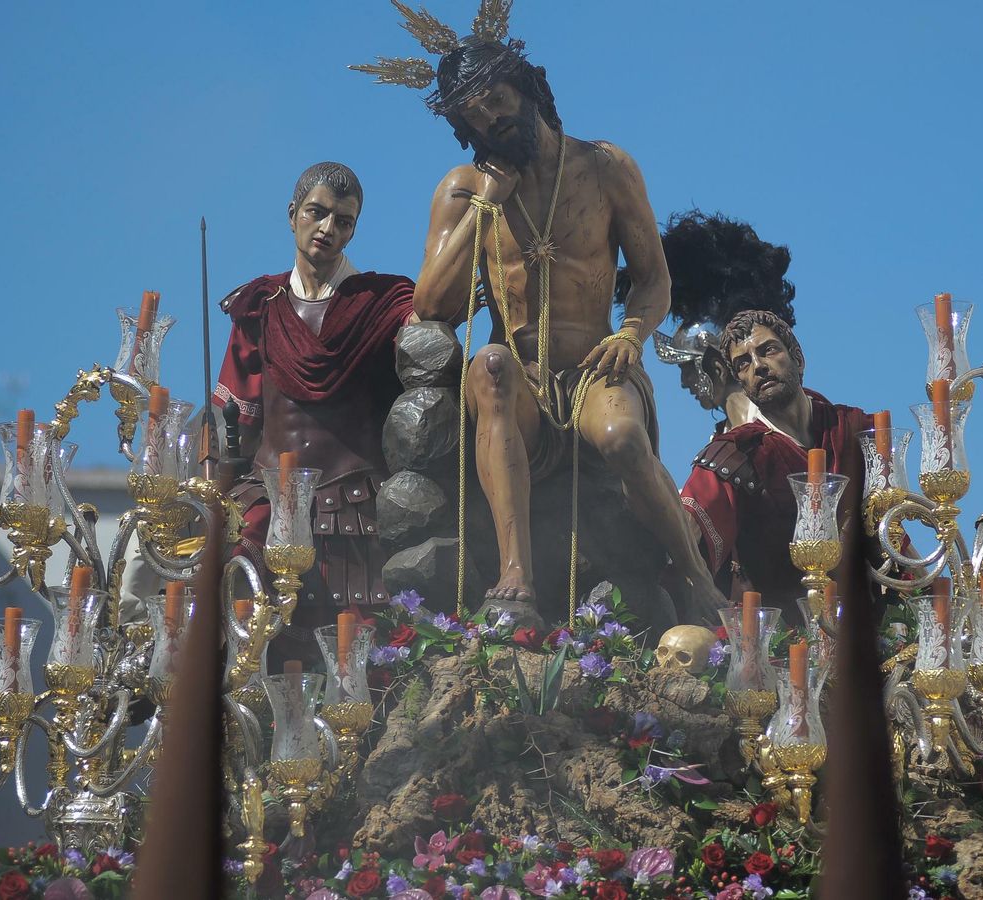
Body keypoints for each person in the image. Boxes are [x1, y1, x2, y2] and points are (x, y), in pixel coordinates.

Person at [370, 17, 726, 623]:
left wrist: (632, 334)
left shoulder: (606, 167)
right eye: (473, 117)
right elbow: (431, 304)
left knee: (621, 439)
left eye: (497, 103)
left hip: (596, 366)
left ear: (526, 88)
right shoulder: (462, 189)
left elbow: (653, 279)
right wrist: (487, 205)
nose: (491, 122)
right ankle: (516, 575)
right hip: (519, 382)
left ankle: (697, 579)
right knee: (489, 365)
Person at [213, 161, 415, 662]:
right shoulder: (259, 306)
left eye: (342, 220)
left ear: (354, 228)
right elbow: (231, 418)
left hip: (353, 504)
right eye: (317, 213)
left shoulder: (382, 303)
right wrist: (206, 503)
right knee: (245, 626)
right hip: (266, 496)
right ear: (292, 215)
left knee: (359, 658)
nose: (327, 228)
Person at [679, 310, 873, 611]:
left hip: (869, 625)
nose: (758, 367)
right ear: (740, 381)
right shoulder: (734, 454)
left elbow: (893, 533)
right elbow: (684, 533)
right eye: (743, 363)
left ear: (797, 357)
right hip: (782, 640)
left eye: (767, 350)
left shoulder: (853, 429)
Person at [620, 210, 798, 438]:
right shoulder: (722, 438)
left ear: (717, 367)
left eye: (687, 368)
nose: (684, 383)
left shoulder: (777, 426)